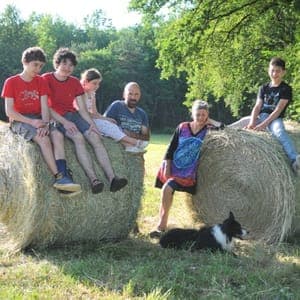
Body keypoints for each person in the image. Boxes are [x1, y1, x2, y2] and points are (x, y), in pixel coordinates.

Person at [43, 48, 128, 194]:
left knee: (95, 137)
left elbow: (82, 110)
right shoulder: (46, 79)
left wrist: (93, 125)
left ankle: (113, 178)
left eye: (71, 65)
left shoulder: (75, 82)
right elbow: (46, 107)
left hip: (73, 115)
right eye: (64, 63)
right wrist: (65, 122)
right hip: (56, 118)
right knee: (78, 138)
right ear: (56, 63)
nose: (68, 68)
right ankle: (94, 179)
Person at [1, 46, 81, 193]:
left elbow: (45, 107)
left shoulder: (41, 81)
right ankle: (58, 177)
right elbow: (9, 111)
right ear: (25, 62)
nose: (38, 69)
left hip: (39, 117)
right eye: (35, 65)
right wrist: (32, 123)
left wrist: (44, 124)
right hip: (21, 120)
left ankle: (65, 174)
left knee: (57, 134)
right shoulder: (11, 82)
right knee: (43, 139)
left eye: (40, 66)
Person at [150, 100, 221, 238]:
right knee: (166, 190)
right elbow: (171, 148)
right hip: (174, 168)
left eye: (204, 115)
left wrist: (210, 120)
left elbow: (224, 128)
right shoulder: (182, 127)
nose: (200, 118)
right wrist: (167, 167)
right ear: (192, 114)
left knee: (167, 189)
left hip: (189, 174)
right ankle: (161, 226)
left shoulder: (209, 130)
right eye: (198, 114)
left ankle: (161, 226)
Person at [228, 57, 300, 174]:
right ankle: (218, 134)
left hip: (275, 119)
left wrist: (263, 125)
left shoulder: (286, 89)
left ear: (283, 72)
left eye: (277, 71)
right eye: (272, 70)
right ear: (268, 70)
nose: (274, 73)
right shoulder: (263, 88)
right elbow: (257, 106)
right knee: (241, 122)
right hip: (261, 116)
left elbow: (277, 110)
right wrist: (252, 122)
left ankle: (295, 160)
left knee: (280, 132)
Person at [80, 69, 148, 153]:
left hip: (92, 118)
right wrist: (103, 120)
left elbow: (95, 113)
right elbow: (84, 113)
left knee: (112, 125)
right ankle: (134, 142)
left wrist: (107, 119)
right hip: (83, 120)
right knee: (106, 127)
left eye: (98, 84)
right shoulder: (80, 94)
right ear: (86, 81)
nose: (97, 86)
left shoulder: (92, 94)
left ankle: (128, 146)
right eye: (94, 83)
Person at [104, 82, 150, 153]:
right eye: (130, 94)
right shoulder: (116, 106)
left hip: (134, 145)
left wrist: (131, 134)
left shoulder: (142, 114)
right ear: (124, 94)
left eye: (136, 94)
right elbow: (104, 126)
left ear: (140, 96)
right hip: (117, 148)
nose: (133, 97)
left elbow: (146, 137)